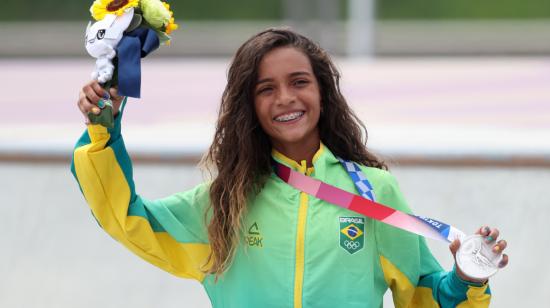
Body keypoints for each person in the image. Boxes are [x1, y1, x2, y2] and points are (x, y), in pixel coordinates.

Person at [72, 28, 509, 307]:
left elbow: (421, 297)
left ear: (323, 93)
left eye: (299, 82)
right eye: (266, 89)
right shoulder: (225, 202)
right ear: (249, 106)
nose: (285, 98)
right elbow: (126, 217)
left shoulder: (375, 192)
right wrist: (103, 133)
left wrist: (465, 279)